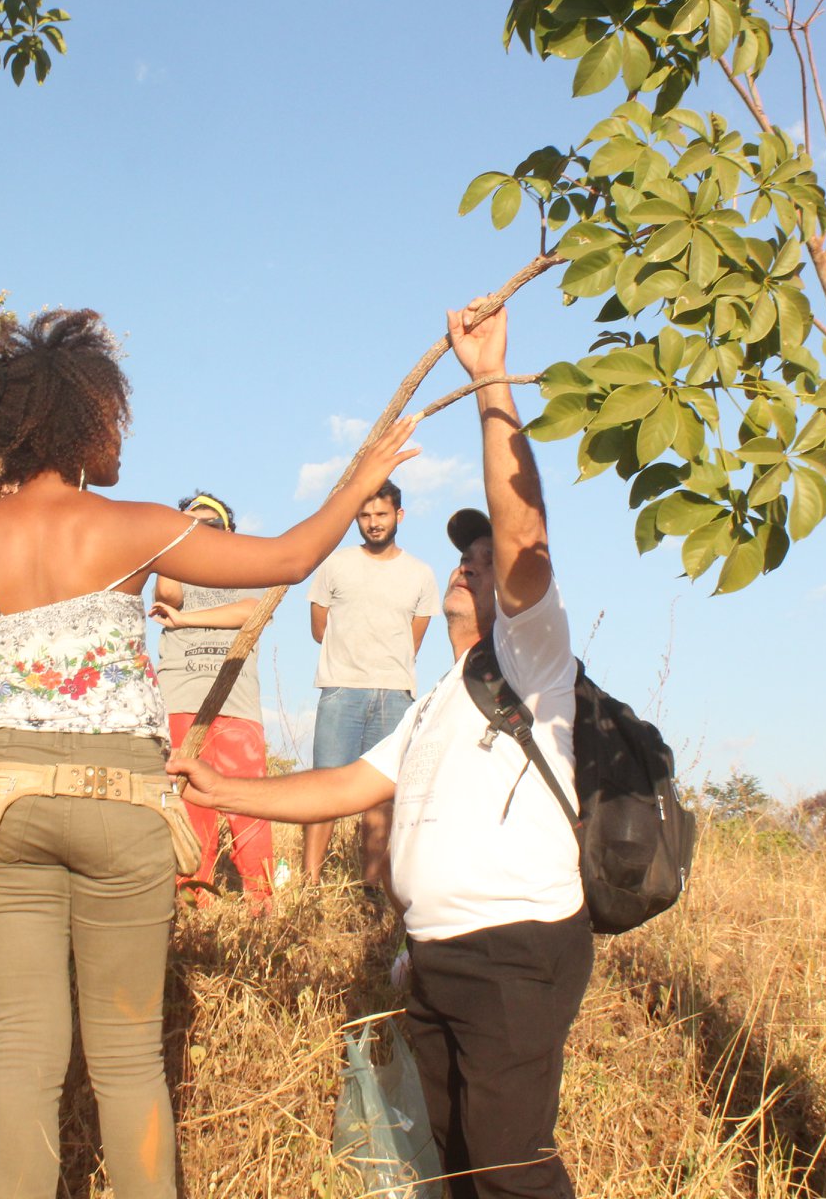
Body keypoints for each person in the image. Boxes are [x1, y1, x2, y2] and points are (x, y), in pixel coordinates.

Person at [0, 309, 417, 1199]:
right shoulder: (131, 526)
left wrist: (13, 690)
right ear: (83, 423)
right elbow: (290, 559)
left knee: (22, 1054)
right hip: (122, 804)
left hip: (0, 803)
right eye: (113, 421)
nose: (121, 438)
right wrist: (360, 477)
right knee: (130, 1060)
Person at [173, 298, 590, 1199]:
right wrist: (224, 791)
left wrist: (488, 382)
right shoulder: (442, 697)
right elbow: (348, 784)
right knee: (459, 1155)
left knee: (512, 1164)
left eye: (477, 561)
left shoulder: (537, 665)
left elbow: (523, 539)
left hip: (516, 951)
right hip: (439, 956)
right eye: (461, 558)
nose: (464, 567)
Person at [304, 478, 440, 888]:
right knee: (324, 789)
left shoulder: (421, 573)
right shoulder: (336, 565)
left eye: (381, 514)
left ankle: (372, 887)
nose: (373, 523)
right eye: (364, 516)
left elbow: (414, 638)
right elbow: (318, 628)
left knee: (382, 795)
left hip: (395, 693)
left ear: (399, 515)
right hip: (341, 688)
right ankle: (309, 885)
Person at [152, 491, 275, 914]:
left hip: (236, 703)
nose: (202, 533)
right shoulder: (176, 572)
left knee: (249, 802)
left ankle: (261, 900)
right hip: (181, 698)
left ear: (230, 532)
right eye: (193, 525)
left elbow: (252, 611)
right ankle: (191, 898)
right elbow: (167, 597)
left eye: (212, 525)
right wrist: (174, 540)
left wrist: (186, 622)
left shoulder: (245, 568)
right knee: (188, 805)